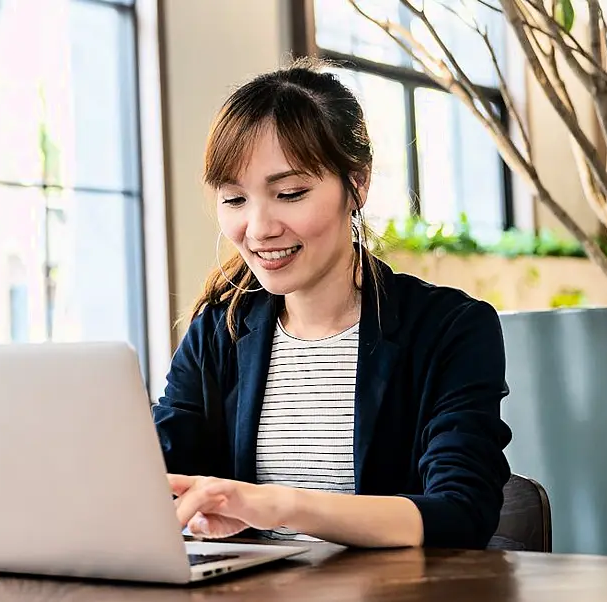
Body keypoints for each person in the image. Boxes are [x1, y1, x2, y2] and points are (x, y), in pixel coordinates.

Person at [152, 57, 512, 550]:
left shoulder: (450, 328)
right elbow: (155, 469)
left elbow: (461, 511)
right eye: (234, 199)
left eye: (290, 192)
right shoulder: (221, 328)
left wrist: (275, 504)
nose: (259, 229)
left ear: (357, 184)